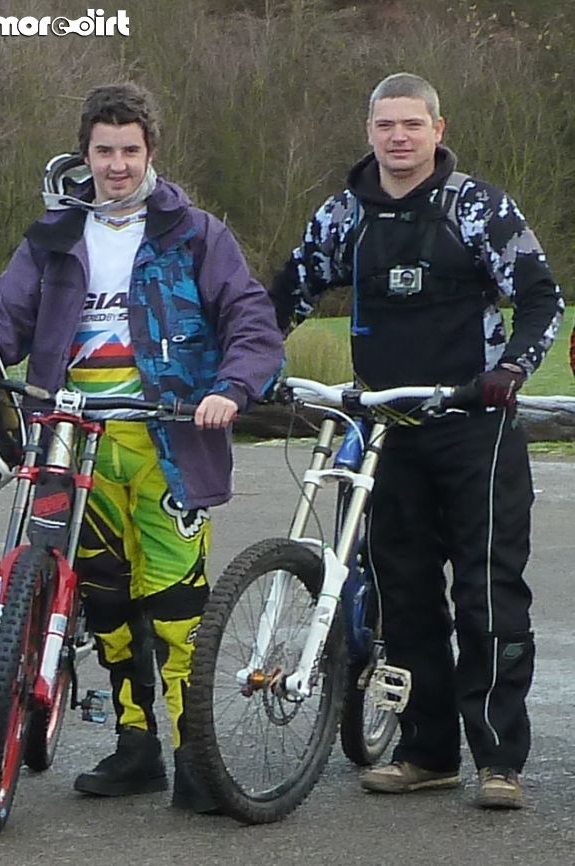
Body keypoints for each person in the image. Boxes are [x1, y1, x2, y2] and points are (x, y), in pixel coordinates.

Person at [0, 82, 283, 811]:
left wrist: (231, 387)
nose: (116, 165)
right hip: (71, 438)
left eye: (128, 150)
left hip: (167, 437)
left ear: (150, 152)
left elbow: (251, 320)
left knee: (175, 606)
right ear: (84, 153)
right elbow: (5, 317)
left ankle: (194, 756)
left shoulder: (195, 233)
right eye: (103, 151)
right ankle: (135, 745)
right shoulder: (54, 234)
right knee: (104, 601)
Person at [270, 73, 564, 810]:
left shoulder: (478, 208)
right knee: (401, 596)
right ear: (368, 131)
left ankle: (499, 760)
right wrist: (253, 363)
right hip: (385, 434)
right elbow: (285, 293)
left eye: (411, 124)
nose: (398, 137)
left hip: (475, 430)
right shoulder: (344, 215)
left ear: (437, 129)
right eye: (385, 125)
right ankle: (426, 753)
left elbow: (541, 298)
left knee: (488, 596)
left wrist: (510, 369)